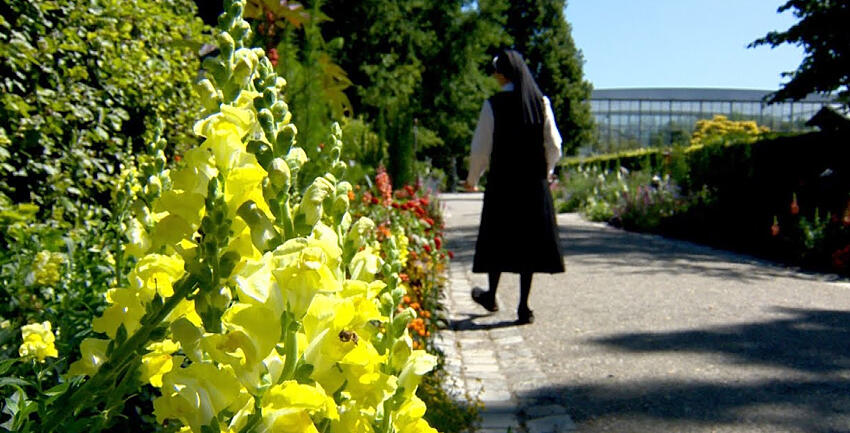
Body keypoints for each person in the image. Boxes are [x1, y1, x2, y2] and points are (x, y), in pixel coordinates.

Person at [463, 49, 565, 324]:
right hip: (533, 184)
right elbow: (554, 144)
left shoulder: (493, 104)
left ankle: (491, 295)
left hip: (502, 184)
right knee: (528, 244)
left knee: (497, 239)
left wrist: (472, 179)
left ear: (500, 74)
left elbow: (481, 149)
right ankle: (523, 307)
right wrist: (546, 171)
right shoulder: (540, 102)